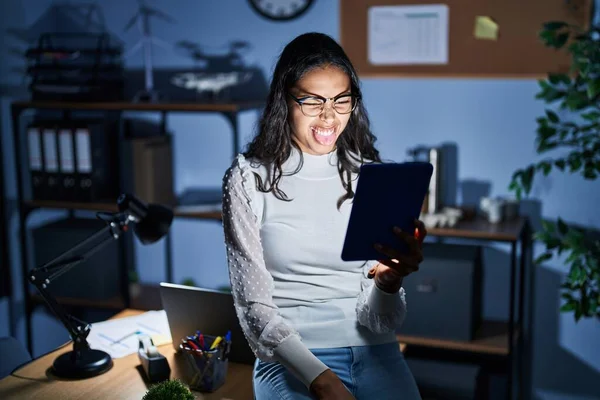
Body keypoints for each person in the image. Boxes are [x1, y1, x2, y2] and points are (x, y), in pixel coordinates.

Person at [221, 32, 426, 400]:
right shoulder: (248, 180)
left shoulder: (371, 177)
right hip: (290, 359)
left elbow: (379, 318)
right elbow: (254, 309)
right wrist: (321, 378)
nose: (329, 116)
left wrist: (389, 281)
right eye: (312, 101)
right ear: (285, 99)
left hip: (376, 351)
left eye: (341, 99)